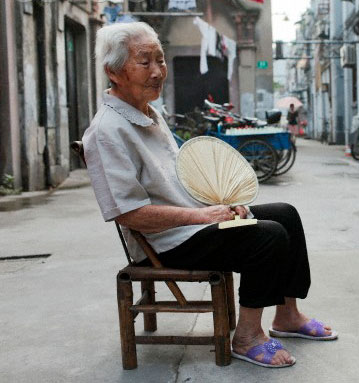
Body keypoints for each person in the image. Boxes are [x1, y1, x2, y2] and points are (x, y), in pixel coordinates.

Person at [83, 22, 336, 369]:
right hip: (163, 242)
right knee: (268, 236)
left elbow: (178, 179)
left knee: (285, 214)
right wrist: (203, 216)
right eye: (145, 62)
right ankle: (247, 336)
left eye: (160, 59)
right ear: (114, 72)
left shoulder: (148, 112)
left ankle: (287, 315)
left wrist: (219, 204)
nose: (158, 71)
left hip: (190, 225)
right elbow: (129, 214)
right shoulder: (106, 131)